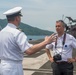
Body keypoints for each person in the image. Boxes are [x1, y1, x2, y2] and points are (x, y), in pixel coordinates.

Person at [0, 7, 56, 75]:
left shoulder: (2, 32)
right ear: (17, 18)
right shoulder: (17, 33)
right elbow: (29, 51)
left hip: (3, 66)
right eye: (20, 17)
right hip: (14, 67)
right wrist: (46, 41)